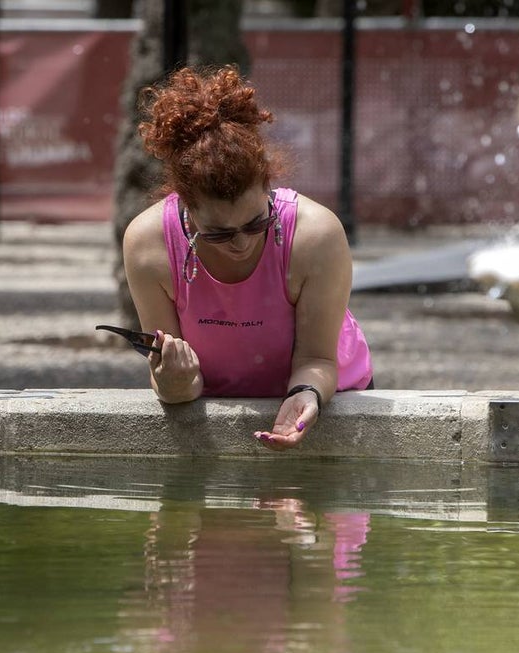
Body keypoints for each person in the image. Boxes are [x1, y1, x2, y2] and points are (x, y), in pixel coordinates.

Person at [122, 64, 373, 451]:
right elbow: (175, 383)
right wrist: (172, 383)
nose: (240, 243)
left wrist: (306, 394)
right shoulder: (147, 242)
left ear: (267, 185)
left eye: (255, 224)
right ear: (185, 205)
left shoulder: (316, 234)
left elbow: (318, 359)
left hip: (327, 395)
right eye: (219, 233)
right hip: (214, 399)